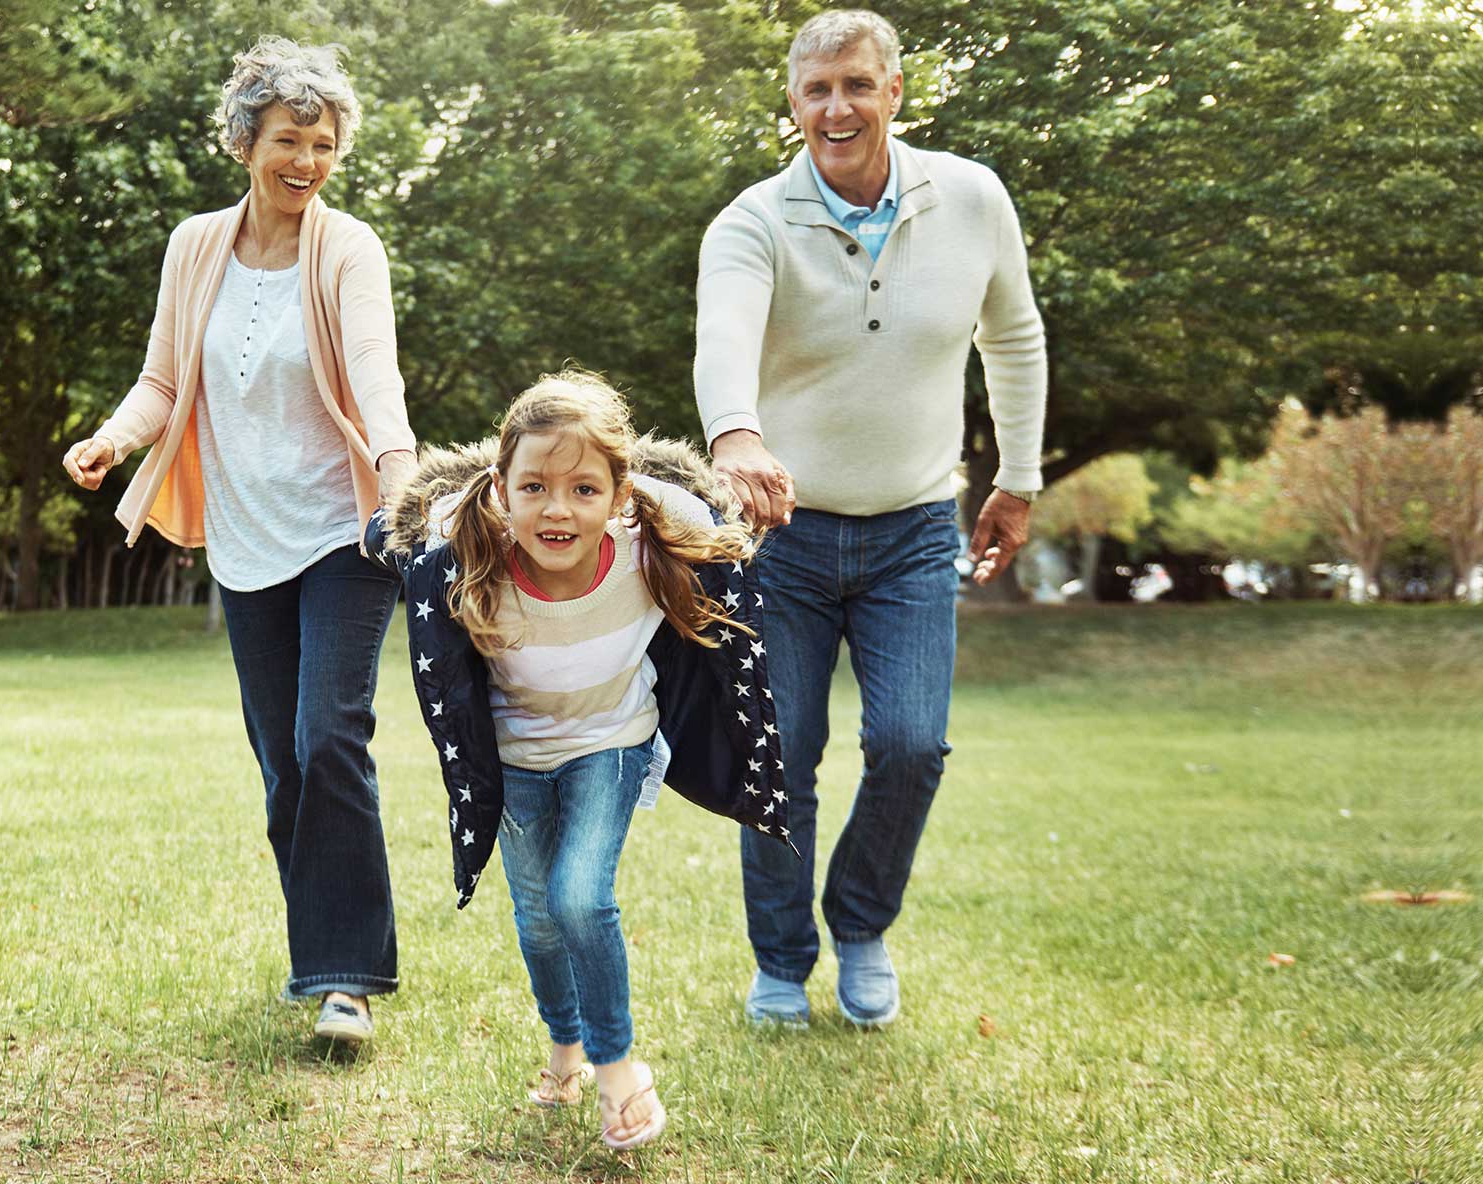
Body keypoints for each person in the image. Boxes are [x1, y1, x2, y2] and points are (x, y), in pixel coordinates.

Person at [693, 9, 1049, 1027]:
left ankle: (858, 925)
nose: (836, 107)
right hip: (783, 538)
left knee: (909, 743)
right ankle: (778, 958)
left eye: (855, 85)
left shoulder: (972, 198)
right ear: (794, 103)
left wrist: (1016, 477)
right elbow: (724, 335)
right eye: (815, 90)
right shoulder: (753, 222)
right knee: (779, 747)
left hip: (912, 532)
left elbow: (1013, 341)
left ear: (894, 91)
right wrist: (734, 434)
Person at [60, 37, 419, 1046]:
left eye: (324, 144)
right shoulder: (195, 246)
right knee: (283, 764)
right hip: (248, 541)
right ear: (243, 141)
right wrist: (111, 438)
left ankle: (346, 980)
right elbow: (164, 379)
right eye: (288, 141)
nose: (306, 162)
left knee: (328, 737)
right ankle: (322, 954)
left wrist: (397, 479)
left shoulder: (348, 249)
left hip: (346, 530)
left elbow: (374, 373)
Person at [364, 372, 792, 1150]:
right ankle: (565, 1048)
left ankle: (617, 1066)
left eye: (584, 488)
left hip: (612, 746)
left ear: (620, 495)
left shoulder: (643, 544)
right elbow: (417, 524)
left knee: (579, 898)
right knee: (536, 917)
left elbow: (702, 510)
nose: (558, 509)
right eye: (534, 487)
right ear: (501, 489)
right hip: (517, 759)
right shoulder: (470, 552)